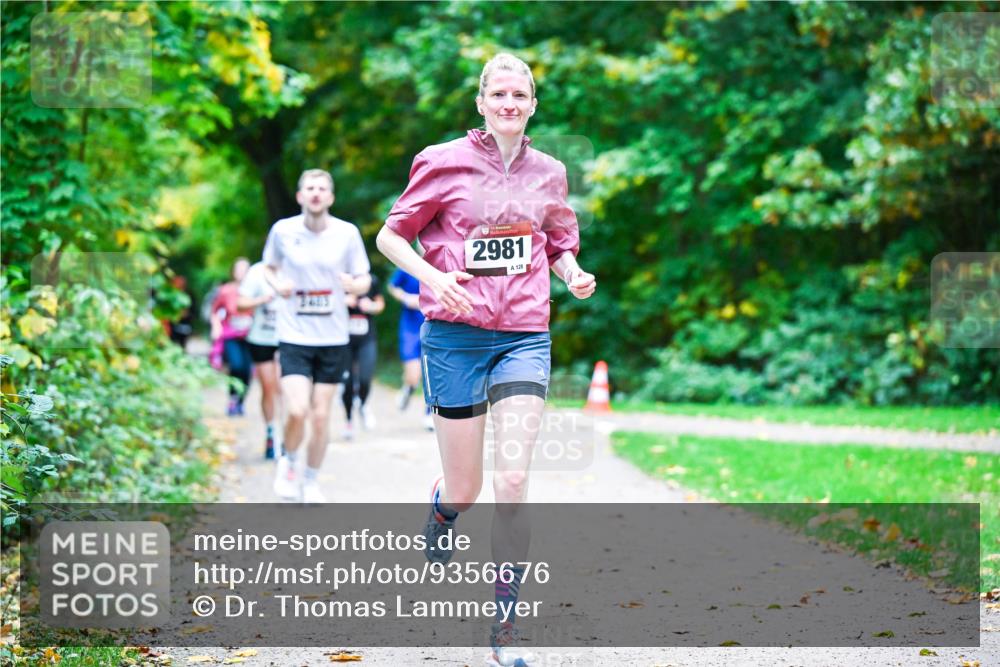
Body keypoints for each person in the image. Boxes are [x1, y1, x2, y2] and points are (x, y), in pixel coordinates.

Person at [376, 53, 596, 667]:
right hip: (455, 337)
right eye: (497, 93)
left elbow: (557, 241)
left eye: (519, 95)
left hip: (524, 332)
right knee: (469, 488)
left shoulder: (550, 172)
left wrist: (573, 273)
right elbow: (391, 236)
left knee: (515, 481)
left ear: (532, 104)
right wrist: (432, 276)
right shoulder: (441, 161)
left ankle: (505, 623)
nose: (508, 103)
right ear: (480, 102)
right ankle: (444, 509)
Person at [263, 168, 371, 504]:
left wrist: (356, 285)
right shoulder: (283, 231)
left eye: (322, 188)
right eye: (309, 187)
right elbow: (268, 266)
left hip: (333, 336)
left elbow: (364, 277)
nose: (315, 193)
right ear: (299, 196)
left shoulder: (347, 233)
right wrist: (276, 283)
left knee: (322, 415)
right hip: (294, 333)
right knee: (297, 410)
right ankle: (288, 461)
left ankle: (311, 480)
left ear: (331, 197)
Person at [238, 260, 284, 459]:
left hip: (289, 338)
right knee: (269, 387)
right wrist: (262, 300)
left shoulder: (296, 265)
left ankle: (285, 435)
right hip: (262, 339)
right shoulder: (256, 272)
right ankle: (271, 431)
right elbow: (240, 304)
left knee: (285, 387)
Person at [386, 267, 434, 431]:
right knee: (413, 376)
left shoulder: (441, 262)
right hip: (410, 327)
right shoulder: (407, 264)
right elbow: (392, 286)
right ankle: (408, 388)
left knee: (432, 373)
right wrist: (406, 297)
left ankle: (429, 414)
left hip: (433, 325)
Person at [341, 274, 384, 440]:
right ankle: (349, 420)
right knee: (347, 382)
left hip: (367, 339)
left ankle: (363, 405)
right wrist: (342, 302)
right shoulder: (338, 280)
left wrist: (371, 306)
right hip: (344, 340)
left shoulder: (371, 280)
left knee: (365, 378)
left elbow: (380, 304)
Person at [210, 258, 254, 416]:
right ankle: (232, 399)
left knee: (247, 371)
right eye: (239, 269)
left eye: (245, 269)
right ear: (233, 272)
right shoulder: (226, 290)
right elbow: (214, 311)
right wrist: (216, 327)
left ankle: (241, 402)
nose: (242, 273)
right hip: (230, 334)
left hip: (251, 336)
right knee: (236, 366)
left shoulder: (256, 290)